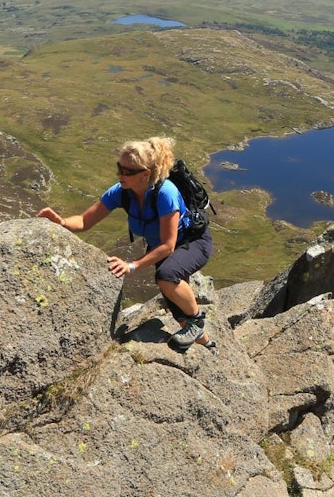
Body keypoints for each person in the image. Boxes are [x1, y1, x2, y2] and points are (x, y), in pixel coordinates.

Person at [37, 136, 214, 350]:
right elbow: (84, 221)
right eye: (119, 167)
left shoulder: (165, 193)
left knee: (167, 276)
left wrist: (132, 265)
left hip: (192, 243)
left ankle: (197, 319)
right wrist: (62, 222)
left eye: (127, 171)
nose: (120, 174)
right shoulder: (122, 192)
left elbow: (168, 245)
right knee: (178, 310)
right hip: (165, 248)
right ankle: (208, 346)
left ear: (145, 175)